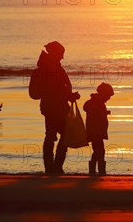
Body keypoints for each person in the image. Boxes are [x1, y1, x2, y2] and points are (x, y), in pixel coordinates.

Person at [37, 41, 80, 174]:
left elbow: (57, 88)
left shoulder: (50, 66)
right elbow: (55, 89)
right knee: (60, 135)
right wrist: (69, 96)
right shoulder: (51, 68)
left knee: (51, 135)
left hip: (51, 106)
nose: (62, 57)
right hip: (55, 107)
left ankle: (52, 167)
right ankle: (55, 167)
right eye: (61, 54)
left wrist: (69, 96)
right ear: (55, 53)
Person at [83, 82, 114, 175]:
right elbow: (89, 110)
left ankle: (95, 170)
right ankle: (99, 171)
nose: (109, 98)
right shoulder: (95, 102)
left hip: (97, 131)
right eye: (108, 96)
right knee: (99, 150)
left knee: (97, 150)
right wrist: (103, 113)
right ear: (103, 94)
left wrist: (105, 112)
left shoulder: (97, 102)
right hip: (95, 131)